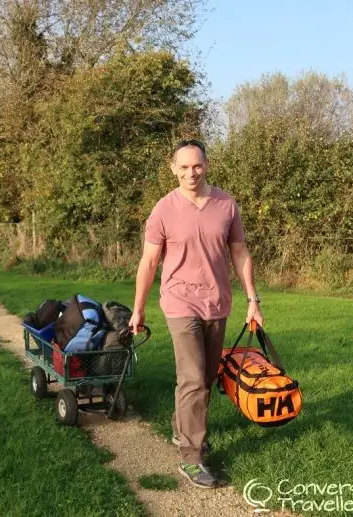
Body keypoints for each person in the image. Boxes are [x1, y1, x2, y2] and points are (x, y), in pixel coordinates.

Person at [128, 139, 264, 489]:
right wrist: (139, 307)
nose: (191, 173)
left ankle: (181, 427)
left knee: (205, 378)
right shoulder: (163, 209)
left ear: (206, 165)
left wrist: (253, 299)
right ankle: (192, 457)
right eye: (184, 166)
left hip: (217, 303)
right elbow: (149, 261)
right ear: (172, 168)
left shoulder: (226, 204)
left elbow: (240, 253)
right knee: (191, 378)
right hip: (179, 303)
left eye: (197, 165)